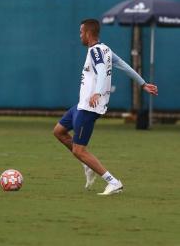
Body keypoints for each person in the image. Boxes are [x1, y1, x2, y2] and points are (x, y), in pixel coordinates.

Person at [53, 19, 158, 195]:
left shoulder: (95, 51)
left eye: (81, 32)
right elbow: (124, 66)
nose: (80, 35)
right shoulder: (105, 49)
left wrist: (98, 93)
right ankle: (87, 165)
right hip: (81, 105)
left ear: (87, 33)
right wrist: (142, 83)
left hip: (89, 107)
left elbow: (101, 70)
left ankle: (113, 182)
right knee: (59, 131)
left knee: (79, 150)